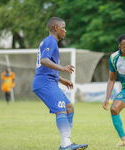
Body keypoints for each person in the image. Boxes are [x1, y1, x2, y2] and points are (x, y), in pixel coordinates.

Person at [32, 17, 88, 150]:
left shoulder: (51, 42)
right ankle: (66, 145)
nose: (65, 30)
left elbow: (46, 66)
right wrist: (62, 68)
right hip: (44, 82)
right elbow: (44, 61)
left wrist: (61, 79)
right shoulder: (50, 41)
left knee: (69, 107)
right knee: (61, 109)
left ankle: (66, 142)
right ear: (56, 28)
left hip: (49, 80)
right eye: (63, 27)